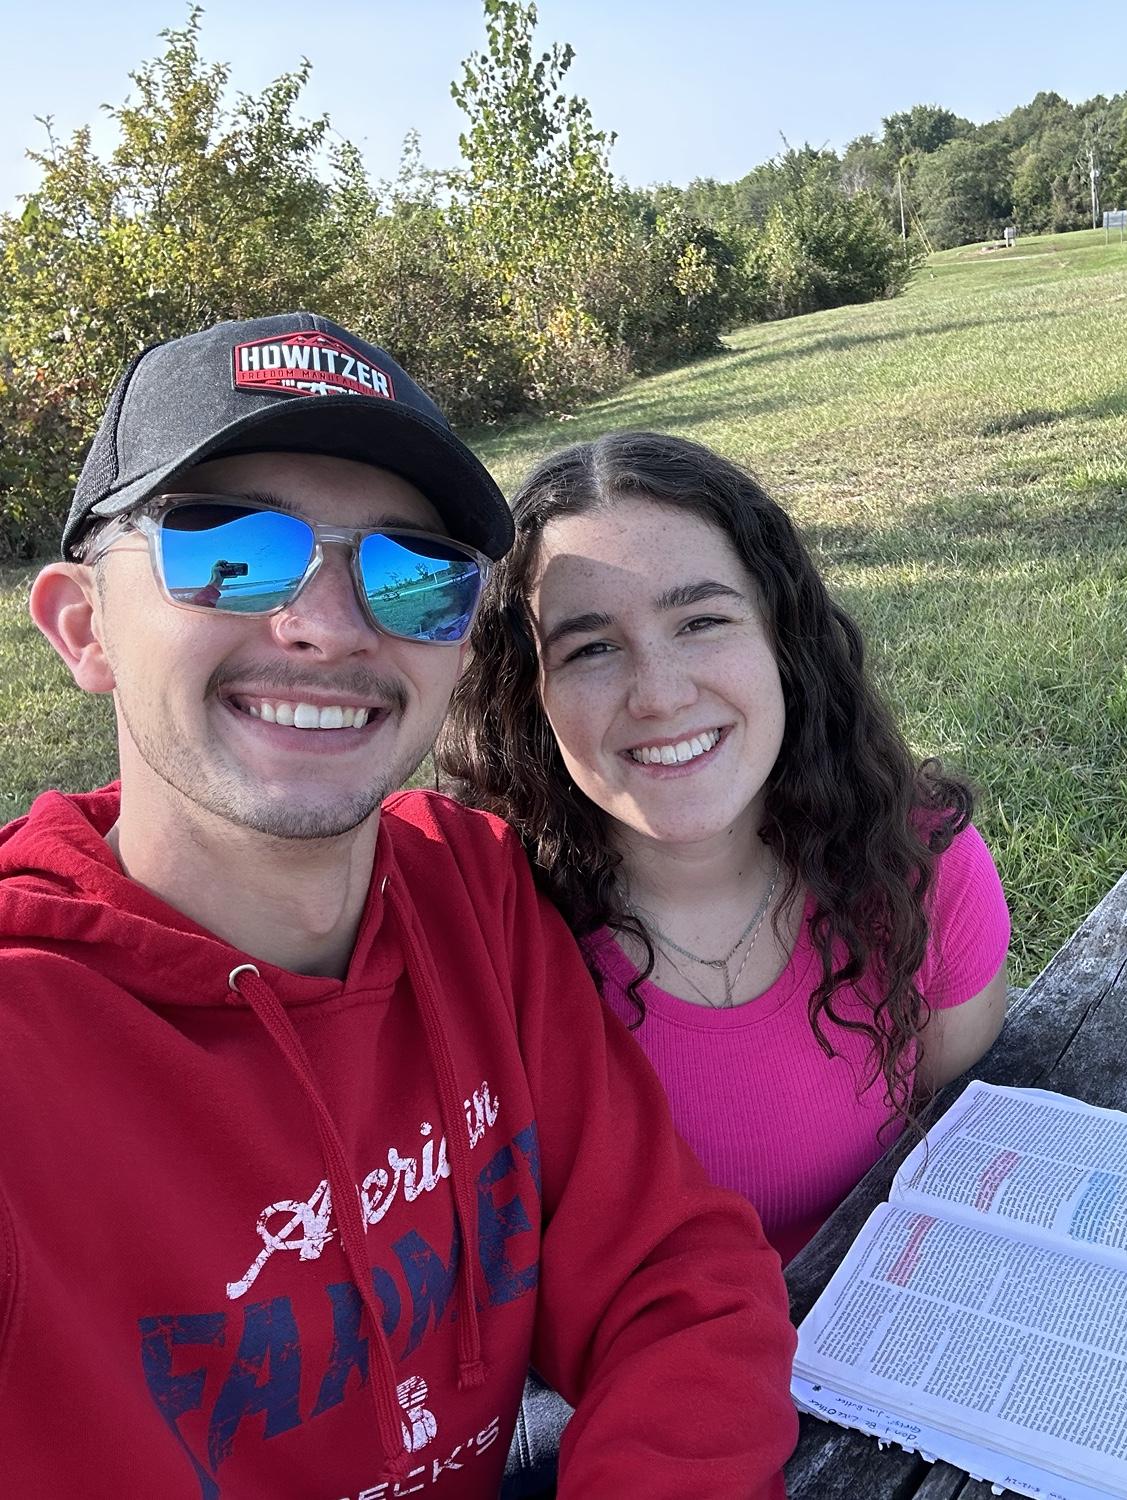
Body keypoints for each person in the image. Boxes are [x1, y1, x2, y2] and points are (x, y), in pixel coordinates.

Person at [0, 316, 798, 1499]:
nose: (330, 624)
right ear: (83, 625)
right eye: (232, 550)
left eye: (409, 572)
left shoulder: (469, 891)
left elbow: (677, 1283)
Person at [441, 431, 1011, 1265]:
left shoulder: (917, 859)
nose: (662, 695)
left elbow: (966, 1132)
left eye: (702, 620)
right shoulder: (481, 930)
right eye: (591, 647)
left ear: (783, 640)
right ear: (531, 694)